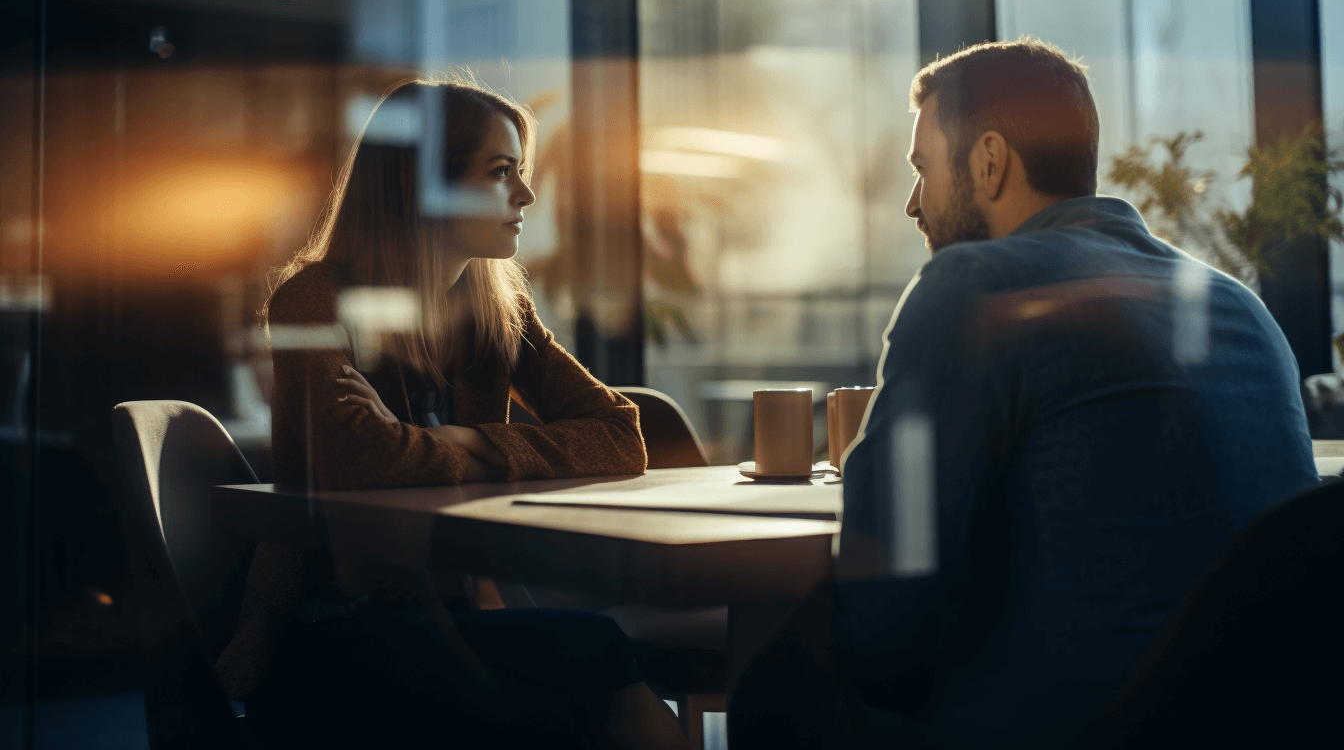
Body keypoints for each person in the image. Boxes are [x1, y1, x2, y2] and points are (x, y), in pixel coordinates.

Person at [730, 38, 1320, 749]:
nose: (913, 205)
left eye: (923, 170)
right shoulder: (1237, 307)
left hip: (1071, 729)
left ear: (988, 160)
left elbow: (886, 623)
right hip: (1268, 719)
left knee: (778, 676)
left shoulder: (975, 286)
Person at [214, 76, 690, 750]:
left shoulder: (499, 310)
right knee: (580, 676)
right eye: (502, 173)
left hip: (456, 613)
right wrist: (472, 448)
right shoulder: (312, 300)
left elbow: (619, 435)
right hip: (331, 627)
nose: (526, 196)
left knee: (595, 662)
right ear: (423, 185)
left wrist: (459, 438)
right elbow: (361, 464)